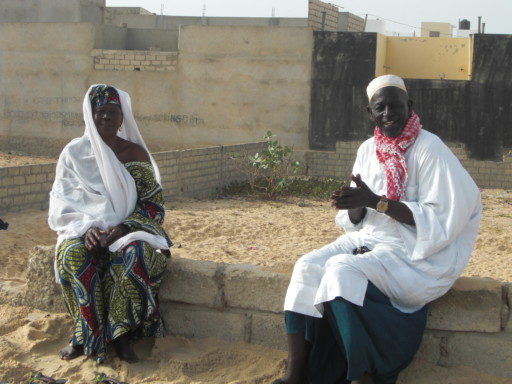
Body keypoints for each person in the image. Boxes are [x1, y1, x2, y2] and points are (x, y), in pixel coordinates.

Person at [275, 75, 481, 384]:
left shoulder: (429, 148)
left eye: (395, 106)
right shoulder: (368, 149)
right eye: (380, 108)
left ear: (409, 107)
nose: (388, 114)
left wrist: (375, 201)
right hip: (369, 239)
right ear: (369, 112)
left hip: (416, 252)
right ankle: (295, 375)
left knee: (341, 269)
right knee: (306, 266)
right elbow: (358, 218)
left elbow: (442, 217)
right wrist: (354, 206)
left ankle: (363, 376)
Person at [48, 84, 172, 364]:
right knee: (72, 255)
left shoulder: (134, 154)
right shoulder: (74, 154)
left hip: (130, 231)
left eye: (112, 112)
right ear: (89, 116)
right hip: (83, 230)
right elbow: (62, 203)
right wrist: (86, 228)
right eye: (100, 112)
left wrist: (126, 227)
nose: (106, 118)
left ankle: (121, 335)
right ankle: (84, 335)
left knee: (135, 256)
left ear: (122, 118)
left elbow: (153, 206)